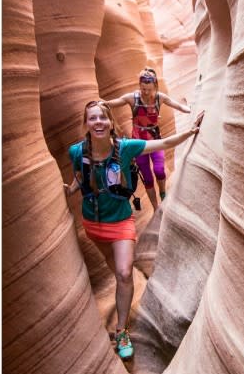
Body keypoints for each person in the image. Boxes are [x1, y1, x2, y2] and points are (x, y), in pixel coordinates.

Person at [64, 100, 204, 360]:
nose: (98, 122)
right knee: (116, 271)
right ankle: (125, 296)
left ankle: (122, 331)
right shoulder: (76, 152)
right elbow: (81, 176)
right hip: (93, 224)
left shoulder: (125, 148)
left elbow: (160, 144)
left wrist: (190, 131)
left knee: (124, 272)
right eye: (92, 118)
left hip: (120, 222)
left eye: (102, 118)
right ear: (86, 123)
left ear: (110, 123)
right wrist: (71, 190)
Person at [105, 67, 191, 210]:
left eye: (148, 89)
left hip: (156, 140)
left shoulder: (160, 98)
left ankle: (163, 193)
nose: (145, 92)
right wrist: (104, 104)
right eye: (143, 89)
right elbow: (118, 101)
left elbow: (175, 104)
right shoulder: (133, 98)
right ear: (140, 86)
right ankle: (155, 207)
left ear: (155, 86)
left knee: (159, 170)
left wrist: (188, 109)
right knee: (147, 177)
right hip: (138, 144)